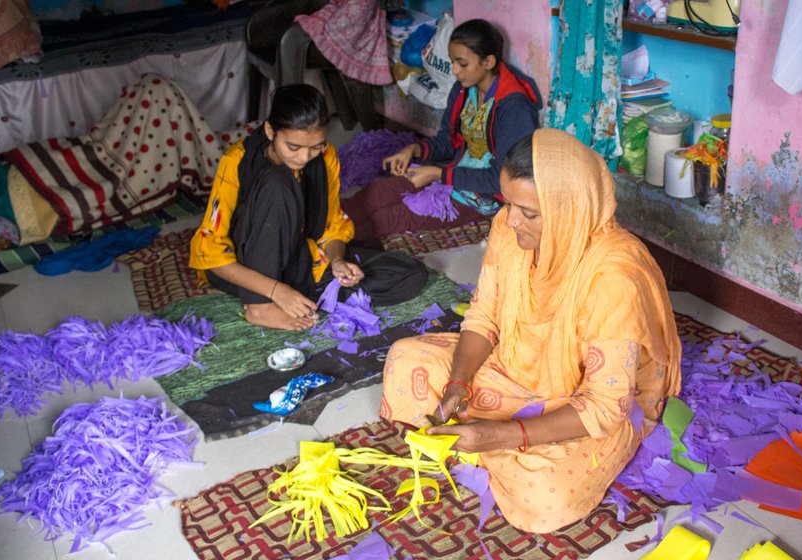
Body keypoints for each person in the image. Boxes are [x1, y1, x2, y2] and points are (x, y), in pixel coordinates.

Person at [379, 129, 682, 533]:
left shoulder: (615, 277)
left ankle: (488, 441)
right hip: (515, 366)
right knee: (403, 360)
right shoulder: (508, 226)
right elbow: (484, 315)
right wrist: (458, 383)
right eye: (509, 205)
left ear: (569, 208)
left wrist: (498, 435)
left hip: (581, 401)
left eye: (530, 213)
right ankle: (489, 438)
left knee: (544, 501)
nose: (510, 220)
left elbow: (604, 405)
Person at [189, 84, 427, 331]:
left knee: (410, 274)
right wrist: (275, 290)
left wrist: (336, 261)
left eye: (315, 146)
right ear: (271, 130)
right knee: (278, 182)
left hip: (299, 257)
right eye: (293, 147)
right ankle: (260, 306)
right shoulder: (237, 160)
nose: (304, 158)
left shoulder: (325, 157)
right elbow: (213, 255)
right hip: (248, 266)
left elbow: (332, 226)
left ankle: (302, 295)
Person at [342, 19, 542, 241]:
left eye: (462, 63)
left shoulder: (514, 107)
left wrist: (438, 174)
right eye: (453, 62)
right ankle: (320, 226)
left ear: (488, 62)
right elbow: (447, 141)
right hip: (453, 171)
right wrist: (415, 149)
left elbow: (503, 179)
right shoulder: (464, 90)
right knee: (379, 193)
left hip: (485, 194)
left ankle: (329, 246)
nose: (455, 71)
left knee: (394, 217)